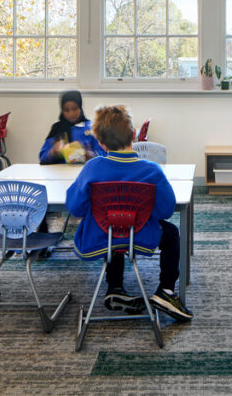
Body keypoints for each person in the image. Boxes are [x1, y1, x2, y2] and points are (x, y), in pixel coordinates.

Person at [65, 105, 193, 322]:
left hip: (99, 238)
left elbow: (75, 207)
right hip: (140, 236)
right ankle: (166, 291)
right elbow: (166, 211)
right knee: (170, 234)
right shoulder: (151, 170)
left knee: (112, 226)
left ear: (101, 143)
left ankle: (115, 286)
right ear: (134, 135)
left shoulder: (92, 168)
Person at [38, 90, 104, 165]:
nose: (71, 113)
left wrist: (92, 155)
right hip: (61, 173)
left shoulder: (91, 127)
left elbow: (103, 154)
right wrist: (53, 152)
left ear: (80, 108)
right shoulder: (57, 128)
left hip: (85, 171)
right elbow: (42, 157)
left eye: (75, 109)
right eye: (66, 110)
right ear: (62, 111)